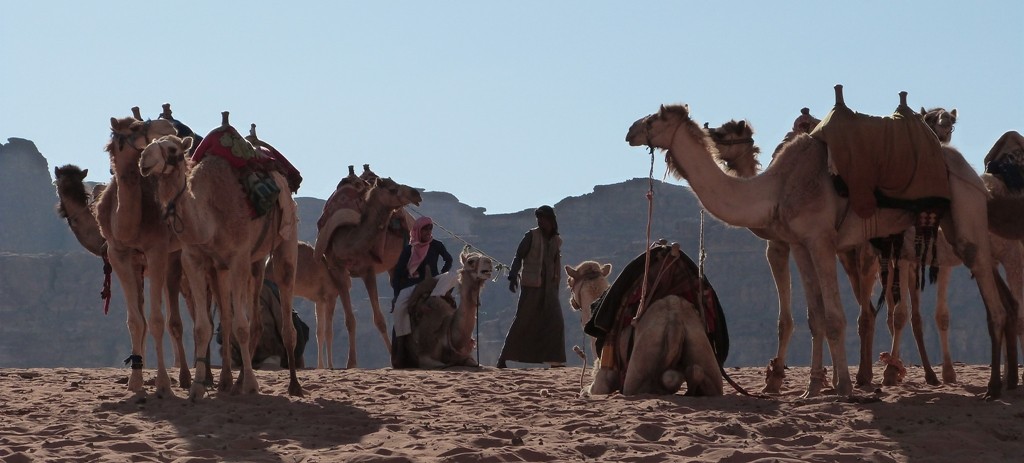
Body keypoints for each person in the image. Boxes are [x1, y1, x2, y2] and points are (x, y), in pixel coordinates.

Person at [497, 205, 566, 368]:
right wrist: (513, 276)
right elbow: (518, 256)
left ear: (551, 220)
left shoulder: (557, 240)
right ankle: (503, 358)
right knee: (523, 319)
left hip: (550, 288)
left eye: (543, 218)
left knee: (556, 322)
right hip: (532, 286)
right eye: (538, 218)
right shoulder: (531, 235)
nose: (540, 221)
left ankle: (555, 360)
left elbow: (556, 263)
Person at [390, 216, 454, 368]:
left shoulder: (436, 245)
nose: (428, 231)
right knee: (399, 309)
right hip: (412, 284)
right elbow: (398, 273)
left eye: (430, 228)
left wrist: (441, 273)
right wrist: (397, 293)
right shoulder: (409, 250)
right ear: (418, 230)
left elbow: (449, 260)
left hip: (433, 282)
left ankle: (435, 297)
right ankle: (401, 344)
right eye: (425, 228)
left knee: (453, 276)